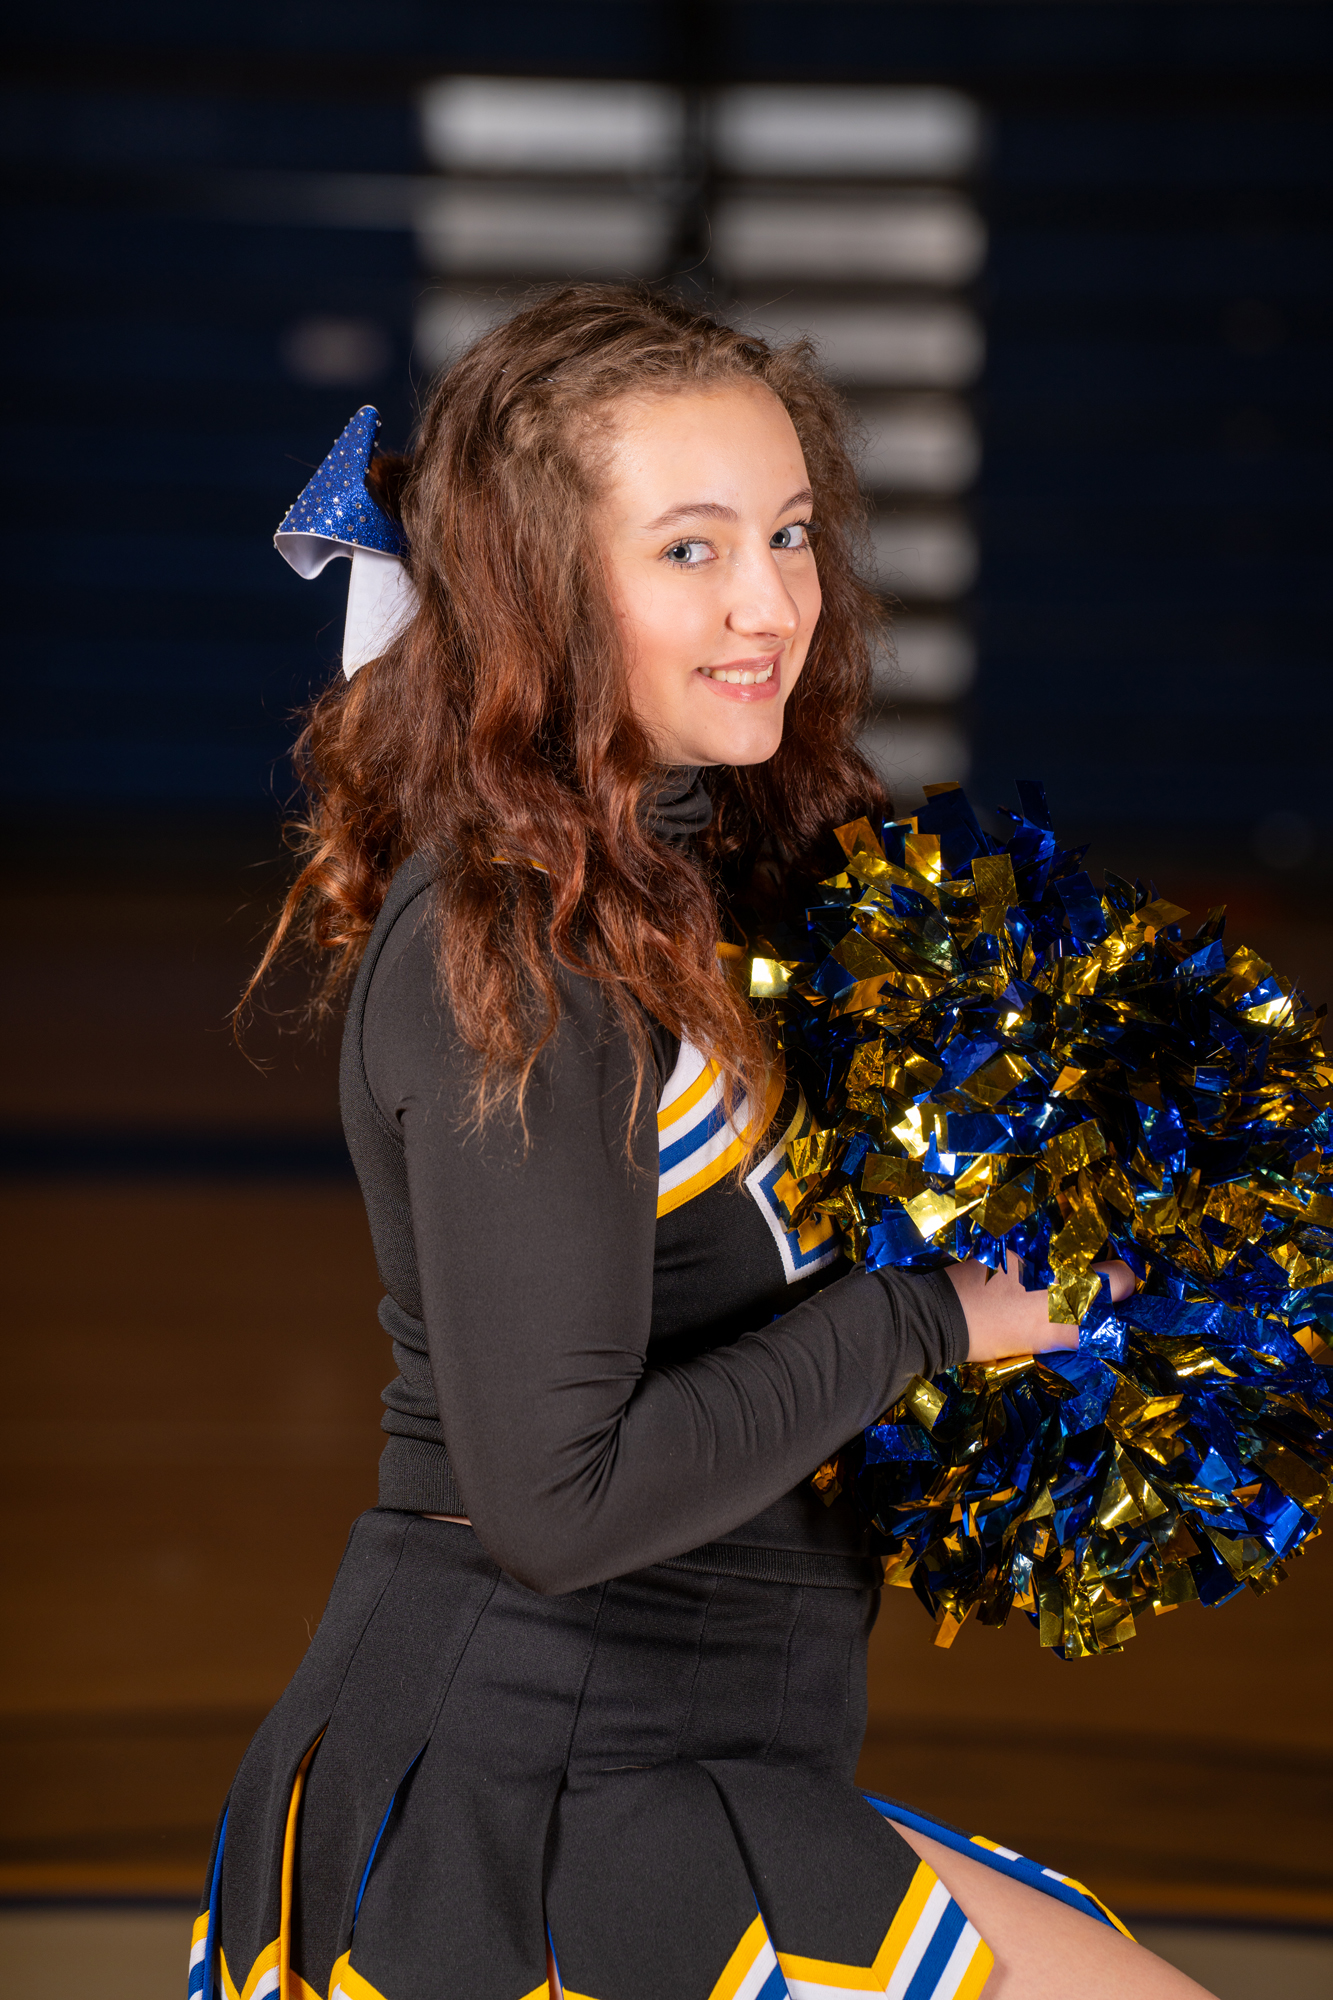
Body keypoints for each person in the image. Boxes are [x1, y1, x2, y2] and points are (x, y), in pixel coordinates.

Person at [194, 285, 1214, 2000]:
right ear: (534, 587)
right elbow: (558, 1503)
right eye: (690, 549)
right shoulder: (513, 945)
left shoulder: (701, 880)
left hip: (697, 1760)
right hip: (533, 1807)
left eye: (789, 533)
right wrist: (934, 1318)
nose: (769, 605)